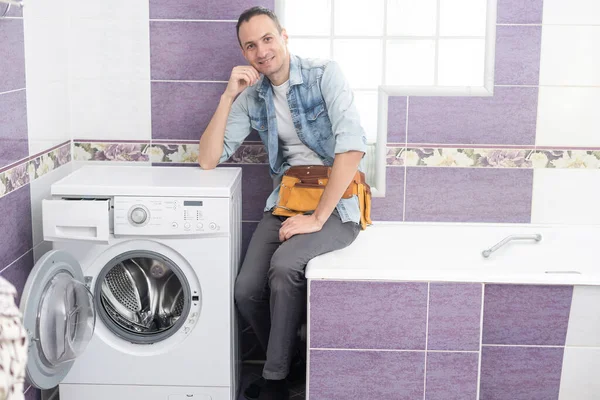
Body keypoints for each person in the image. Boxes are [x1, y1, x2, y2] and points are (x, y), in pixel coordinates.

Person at [198, 6, 368, 400]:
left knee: (285, 266)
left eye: (268, 39)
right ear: (244, 53)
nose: (262, 51)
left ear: (284, 36)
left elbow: (352, 147)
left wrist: (316, 217)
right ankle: (293, 359)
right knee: (245, 290)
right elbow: (208, 158)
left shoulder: (325, 74)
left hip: (337, 201)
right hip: (287, 199)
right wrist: (227, 96)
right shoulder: (253, 96)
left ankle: (275, 379)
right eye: (251, 46)